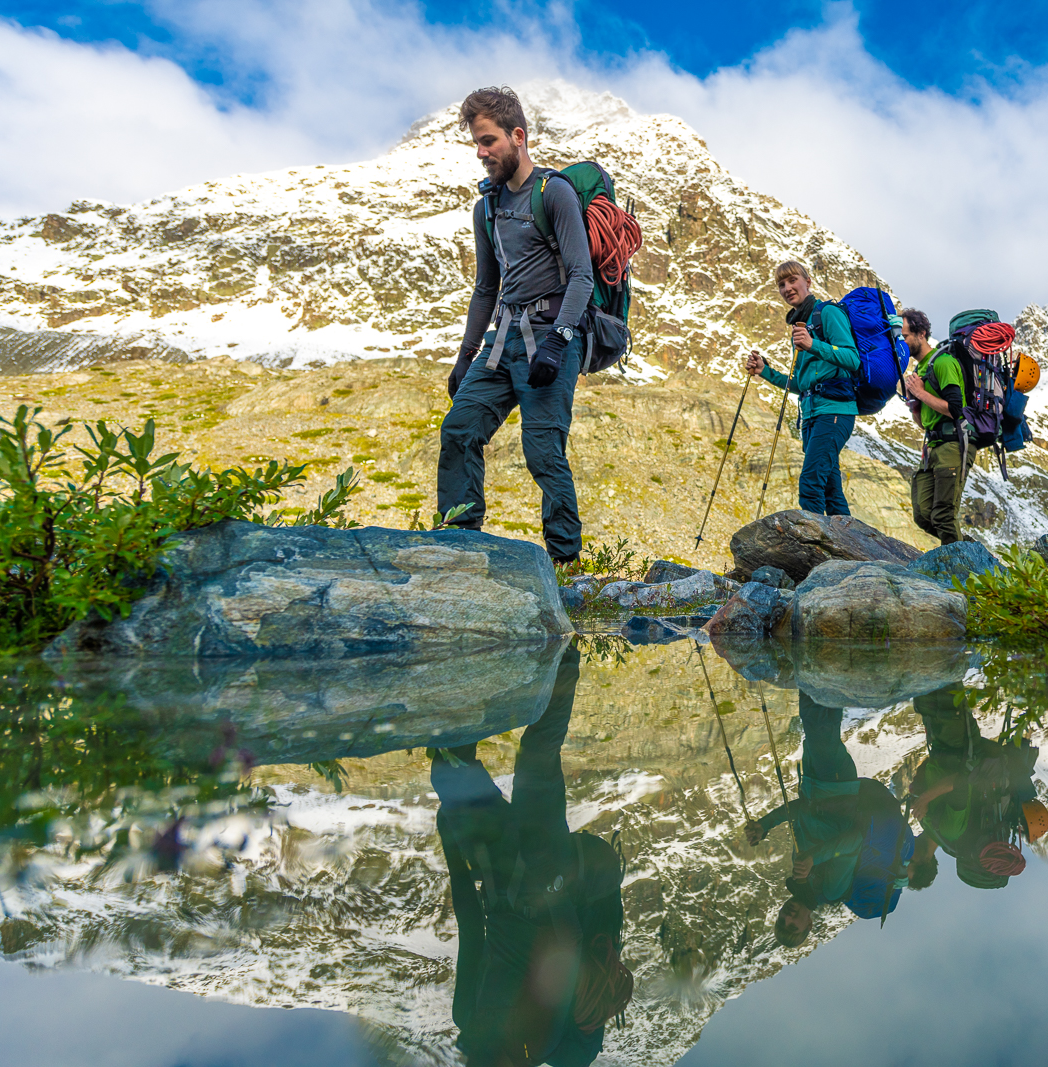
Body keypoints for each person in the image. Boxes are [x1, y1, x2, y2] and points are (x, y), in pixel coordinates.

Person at [432, 646, 631, 1066]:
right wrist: (547, 888)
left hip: (503, 881)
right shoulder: (535, 1044)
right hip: (549, 881)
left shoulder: (466, 1018)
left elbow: (471, 927)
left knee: (447, 772)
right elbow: (567, 952)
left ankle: (470, 664)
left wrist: (453, 849)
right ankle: (560, 653)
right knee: (536, 761)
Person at [437, 86, 596, 567]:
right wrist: (465, 358)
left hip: (551, 340)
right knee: (459, 429)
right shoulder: (484, 207)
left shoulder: (555, 193)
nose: (482, 154)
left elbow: (582, 276)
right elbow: (486, 289)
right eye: (477, 145)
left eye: (488, 142)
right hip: (500, 342)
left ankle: (565, 566)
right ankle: (460, 545)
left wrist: (558, 342)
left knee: (543, 452)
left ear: (517, 136)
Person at [744, 692, 865, 946]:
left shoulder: (799, 876)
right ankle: (822, 665)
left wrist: (764, 825)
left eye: (780, 921)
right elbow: (855, 841)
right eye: (793, 926)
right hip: (835, 785)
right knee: (816, 718)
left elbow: (801, 811)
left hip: (814, 782)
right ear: (808, 924)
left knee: (820, 720)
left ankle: (828, 670)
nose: (787, 918)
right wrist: (814, 858)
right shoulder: (831, 890)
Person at [743, 262, 861, 517]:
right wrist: (765, 371)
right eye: (781, 285)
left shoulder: (827, 313)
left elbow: (852, 359)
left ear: (808, 281)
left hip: (835, 411)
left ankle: (816, 552)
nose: (787, 288)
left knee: (810, 484)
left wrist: (812, 345)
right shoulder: (799, 326)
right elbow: (801, 384)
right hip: (810, 417)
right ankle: (851, 549)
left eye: (792, 280)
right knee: (830, 489)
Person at [905, 683, 1048, 892]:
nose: (905, 857)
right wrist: (925, 797)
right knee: (943, 683)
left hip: (946, 745)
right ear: (925, 861)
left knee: (932, 682)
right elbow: (961, 783)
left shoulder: (932, 827)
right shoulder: (949, 832)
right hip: (956, 743)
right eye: (909, 862)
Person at [900, 309, 973, 545]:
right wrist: (915, 405)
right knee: (923, 514)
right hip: (932, 446)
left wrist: (920, 392)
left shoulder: (943, 362)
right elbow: (924, 423)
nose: (902, 343)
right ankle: (969, 550)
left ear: (921, 334)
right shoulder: (919, 371)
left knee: (943, 515)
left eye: (905, 336)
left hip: (953, 444)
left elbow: (955, 409)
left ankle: (960, 575)